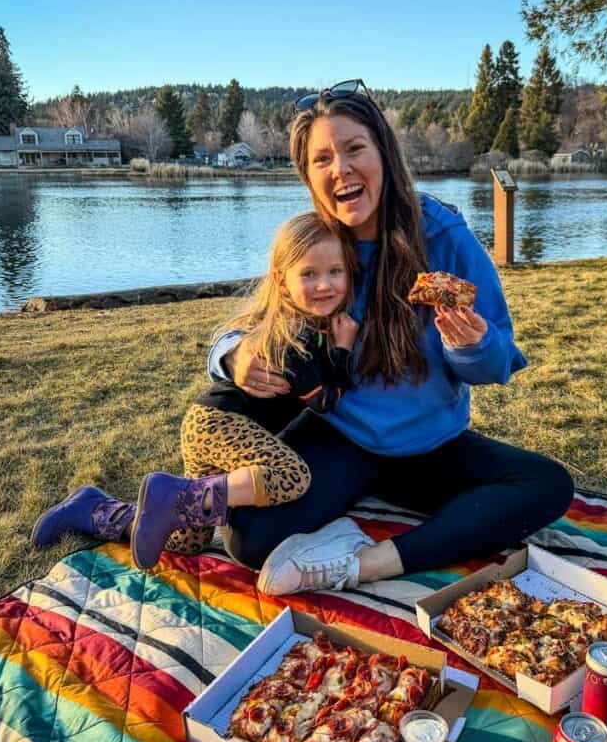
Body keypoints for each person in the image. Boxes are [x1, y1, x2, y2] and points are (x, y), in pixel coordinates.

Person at [182, 79, 574, 595]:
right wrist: (230, 355)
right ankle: (336, 514)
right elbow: (259, 319)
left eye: (353, 149)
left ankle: (369, 562)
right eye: (321, 159)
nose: (340, 169)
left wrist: (470, 344)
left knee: (547, 486)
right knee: (248, 539)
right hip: (341, 438)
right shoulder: (318, 242)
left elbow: (498, 363)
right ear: (308, 176)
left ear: (383, 153)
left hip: (432, 445)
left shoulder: (442, 236)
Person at [31, 212, 360, 561]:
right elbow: (325, 400)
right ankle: (176, 495)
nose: (324, 285)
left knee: (188, 541)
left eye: (334, 272)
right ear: (281, 282)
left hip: (210, 427)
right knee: (290, 476)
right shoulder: (295, 337)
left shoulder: (307, 325)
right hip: (223, 426)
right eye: (309, 274)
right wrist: (343, 350)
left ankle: (94, 510)